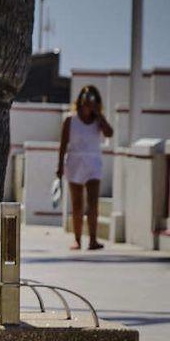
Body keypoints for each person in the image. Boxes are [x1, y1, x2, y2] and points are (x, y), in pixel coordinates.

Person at [58, 84, 113, 251]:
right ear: (80, 101)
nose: (89, 102)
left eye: (93, 99)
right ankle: (77, 240)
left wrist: (99, 115)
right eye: (87, 99)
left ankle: (93, 240)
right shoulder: (70, 119)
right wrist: (59, 166)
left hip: (93, 163)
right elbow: (63, 144)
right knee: (76, 204)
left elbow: (109, 133)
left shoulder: (98, 121)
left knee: (93, 203)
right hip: (75, 162)